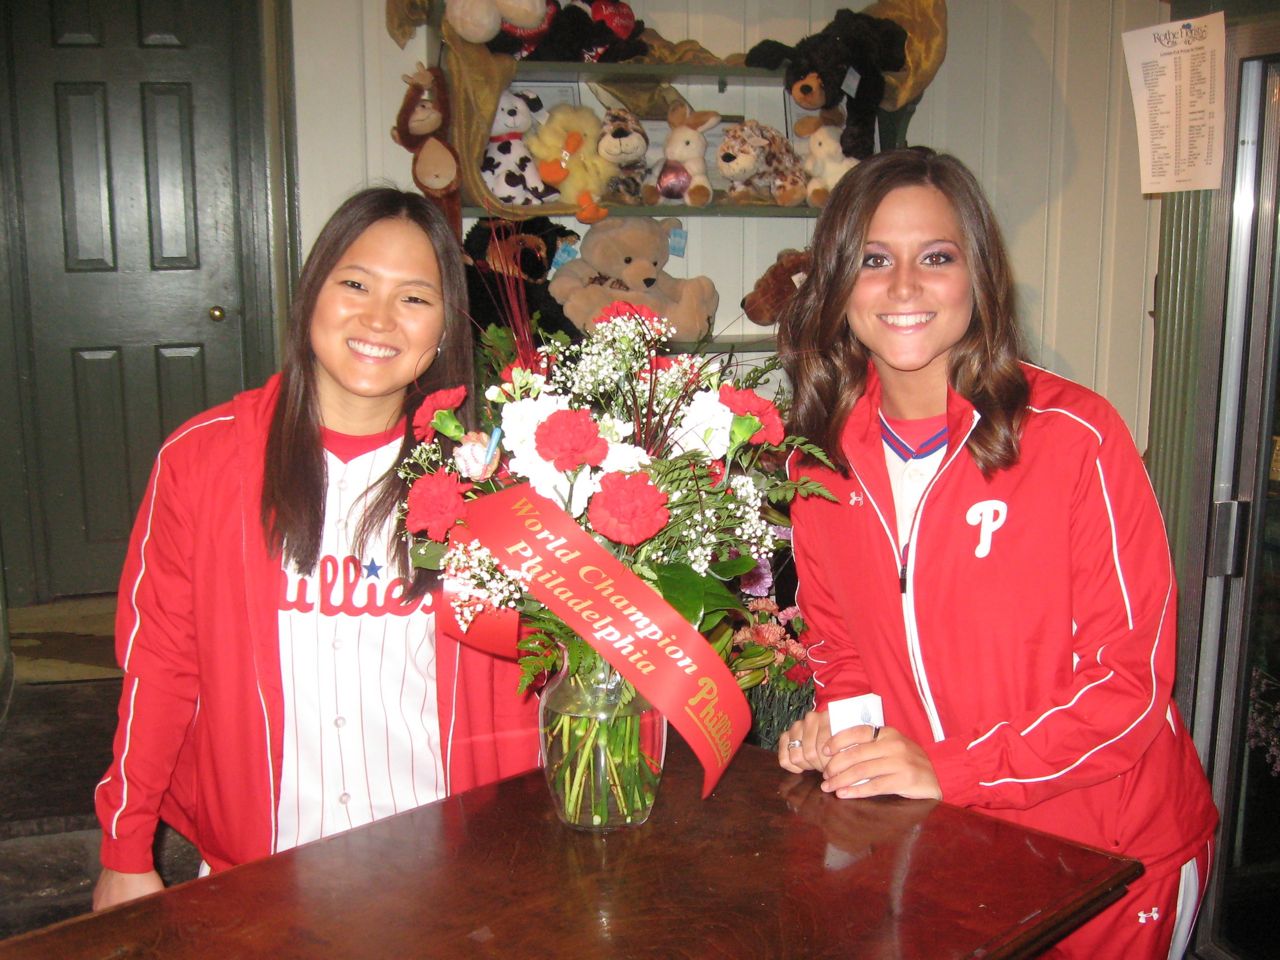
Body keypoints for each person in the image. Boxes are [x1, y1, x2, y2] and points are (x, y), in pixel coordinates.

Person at [776, 148, 1217, 958]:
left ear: (979, 278)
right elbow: (845, 655)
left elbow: (1130, 689)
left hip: (1107, 857)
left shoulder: (1077, 439)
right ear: (838, 285)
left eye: (936, 258)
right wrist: (843, 739)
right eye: (875, 260)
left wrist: (952, 772)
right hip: (949, 847)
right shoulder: (820, 464)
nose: (904, 286)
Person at [93, 188, 539, 909]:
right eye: (356, 284)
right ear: (311, 296)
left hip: (451, 876)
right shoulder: (202, 461)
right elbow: (161, 664)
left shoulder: (494, 476)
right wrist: (124, 846)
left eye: (413, 299)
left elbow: (545, 670)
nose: (378, 319)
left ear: (442, 330)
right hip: (258, 874)